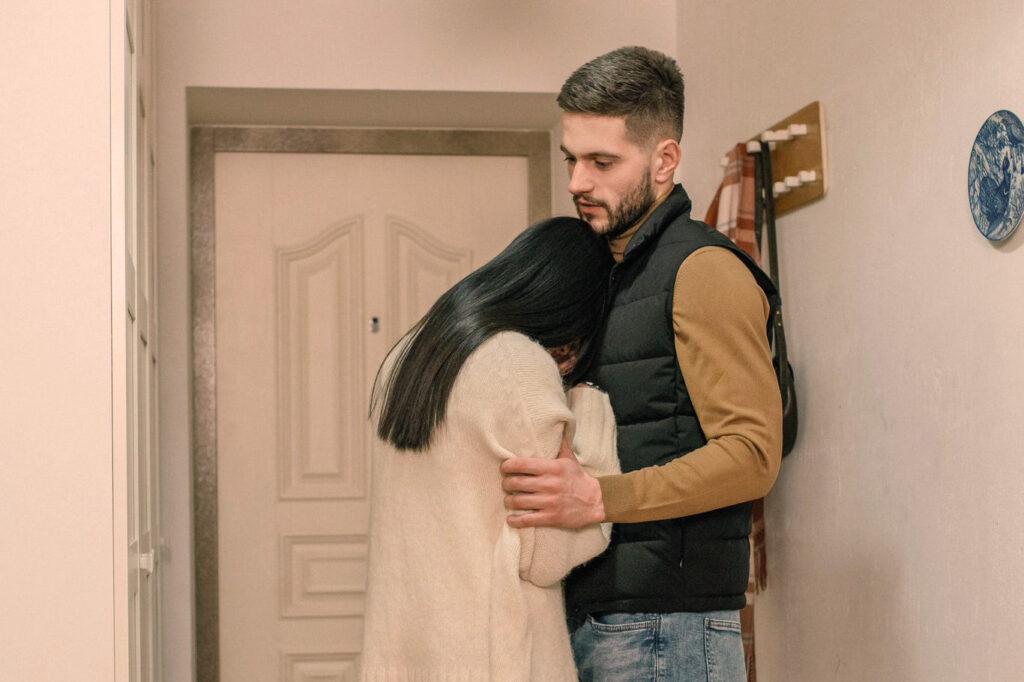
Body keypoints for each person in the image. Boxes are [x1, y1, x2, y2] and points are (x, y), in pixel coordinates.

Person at [499, 46, 784, 681]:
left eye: (602, 162)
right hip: (604, 620)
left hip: (666, 632)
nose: (577, 182)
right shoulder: (610, 270)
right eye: (571, 159)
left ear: (664, 160)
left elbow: (753, 455)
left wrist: (598, 497)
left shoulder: (702, 269)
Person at [360, 217, 622, 681]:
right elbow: (548, 556)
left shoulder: (409, 356)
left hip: (406, 655)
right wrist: (592, 408)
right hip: (490, 658)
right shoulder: (516, 365)